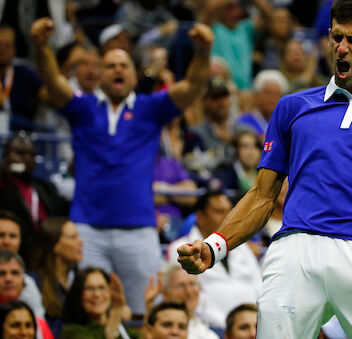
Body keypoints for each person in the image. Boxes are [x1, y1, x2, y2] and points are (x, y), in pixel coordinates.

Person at [177, 0, 352, 337]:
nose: (341, 48)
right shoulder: (291, 107)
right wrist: (214, 246)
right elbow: (261, 196)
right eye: (336, 37)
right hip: (295, 253)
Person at [30, 17, 214, 317]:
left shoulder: (150, 109)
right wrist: (41, 47)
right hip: (86, 229)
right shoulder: (83, 107)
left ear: (133, 74)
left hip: (138, 228)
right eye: (111, 65)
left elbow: (193, 86)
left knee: (145, 310)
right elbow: (53, 82)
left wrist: (204, 51)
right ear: (100, 74)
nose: (117, 69)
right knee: (85, 312)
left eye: (123, 65)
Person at [167, 190, 261, 331]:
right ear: (200, 216)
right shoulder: (182, 248)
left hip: (251, 328)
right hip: (209, 328)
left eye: (230, 212)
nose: (227, 217)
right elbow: (186, 296)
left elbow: (259, 288)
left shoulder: (243, 248)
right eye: (219, 211)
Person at [0, 134, 69, 266]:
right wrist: (6, 171)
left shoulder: (45, 188)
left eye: (31, 155)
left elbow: (64, 209)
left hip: (43, 254)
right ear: (6, 157)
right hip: (13, 253)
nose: (27, 158)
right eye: (20, 153)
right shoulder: (4, 185)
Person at [29, 217, 83, 338]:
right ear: (55, 246)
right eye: (73, 237)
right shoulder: (33, 283)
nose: (81, 242)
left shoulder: (78, 280)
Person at [145, 263, 219, 339]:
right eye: (181, 285)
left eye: (192, 284)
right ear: (165, 292)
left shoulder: (209, 335)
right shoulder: (158, 327)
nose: (189, 291)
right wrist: (149, 305)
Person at [61, 267, 137, 339]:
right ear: (78, 294)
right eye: (89, 288)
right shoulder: (72, 333)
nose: (97, 294)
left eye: (102, 288)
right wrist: (115, 316)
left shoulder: (124, 330)